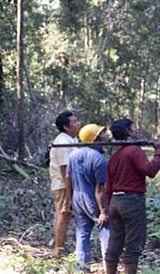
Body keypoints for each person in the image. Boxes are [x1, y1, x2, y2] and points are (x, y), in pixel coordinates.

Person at [104, 118, 160, 274]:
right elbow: (150, 171)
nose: (138, 131)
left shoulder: (114, 156)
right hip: (131, 201)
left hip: (115, 203)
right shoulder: (134, 151)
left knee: (115, 241)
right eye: (134, 128)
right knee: (134, 243)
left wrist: (106, 209)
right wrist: (159, 152)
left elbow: (108, 187)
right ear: (128, 133)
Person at [66, 124, 110, 271]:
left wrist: (70, 200)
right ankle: (109, 268)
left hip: (77, 199)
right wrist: (103, 211)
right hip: (94, 201)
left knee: (82, 235)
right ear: (96, 138)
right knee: (105, 234)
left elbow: (68, 179)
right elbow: (100, 189)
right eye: (103, 133)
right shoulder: (100, 160)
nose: (106, 135)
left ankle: (82, 268)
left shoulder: (73, 156)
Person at [50, 111, 81, 256]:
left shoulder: (71, 140)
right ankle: (58, 250)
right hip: (63, 185)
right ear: (66, 127)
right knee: (63, 215)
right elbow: (64, 169)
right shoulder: (62, 142)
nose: (78, 124)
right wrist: (70, 190)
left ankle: (59, 247)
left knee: (62, 214)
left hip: (65, 184)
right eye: (74, 122)